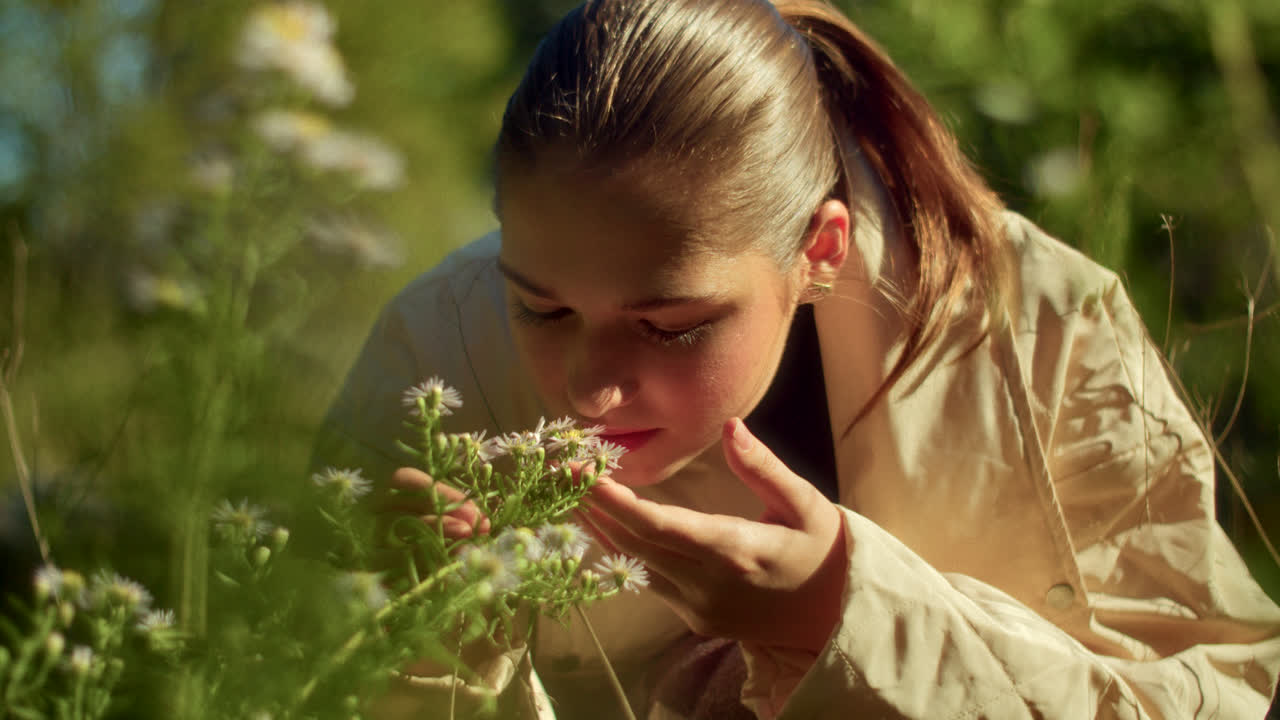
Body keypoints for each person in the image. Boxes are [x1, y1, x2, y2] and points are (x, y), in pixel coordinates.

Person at [313, 0, 1280, 717]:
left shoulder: (1045, 328)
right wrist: (421, 643)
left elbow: (1220, 696)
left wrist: (839, 618)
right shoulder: (438, 349)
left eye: (672, 324)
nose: (588, 389)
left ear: (816, 250)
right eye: (542, 306)